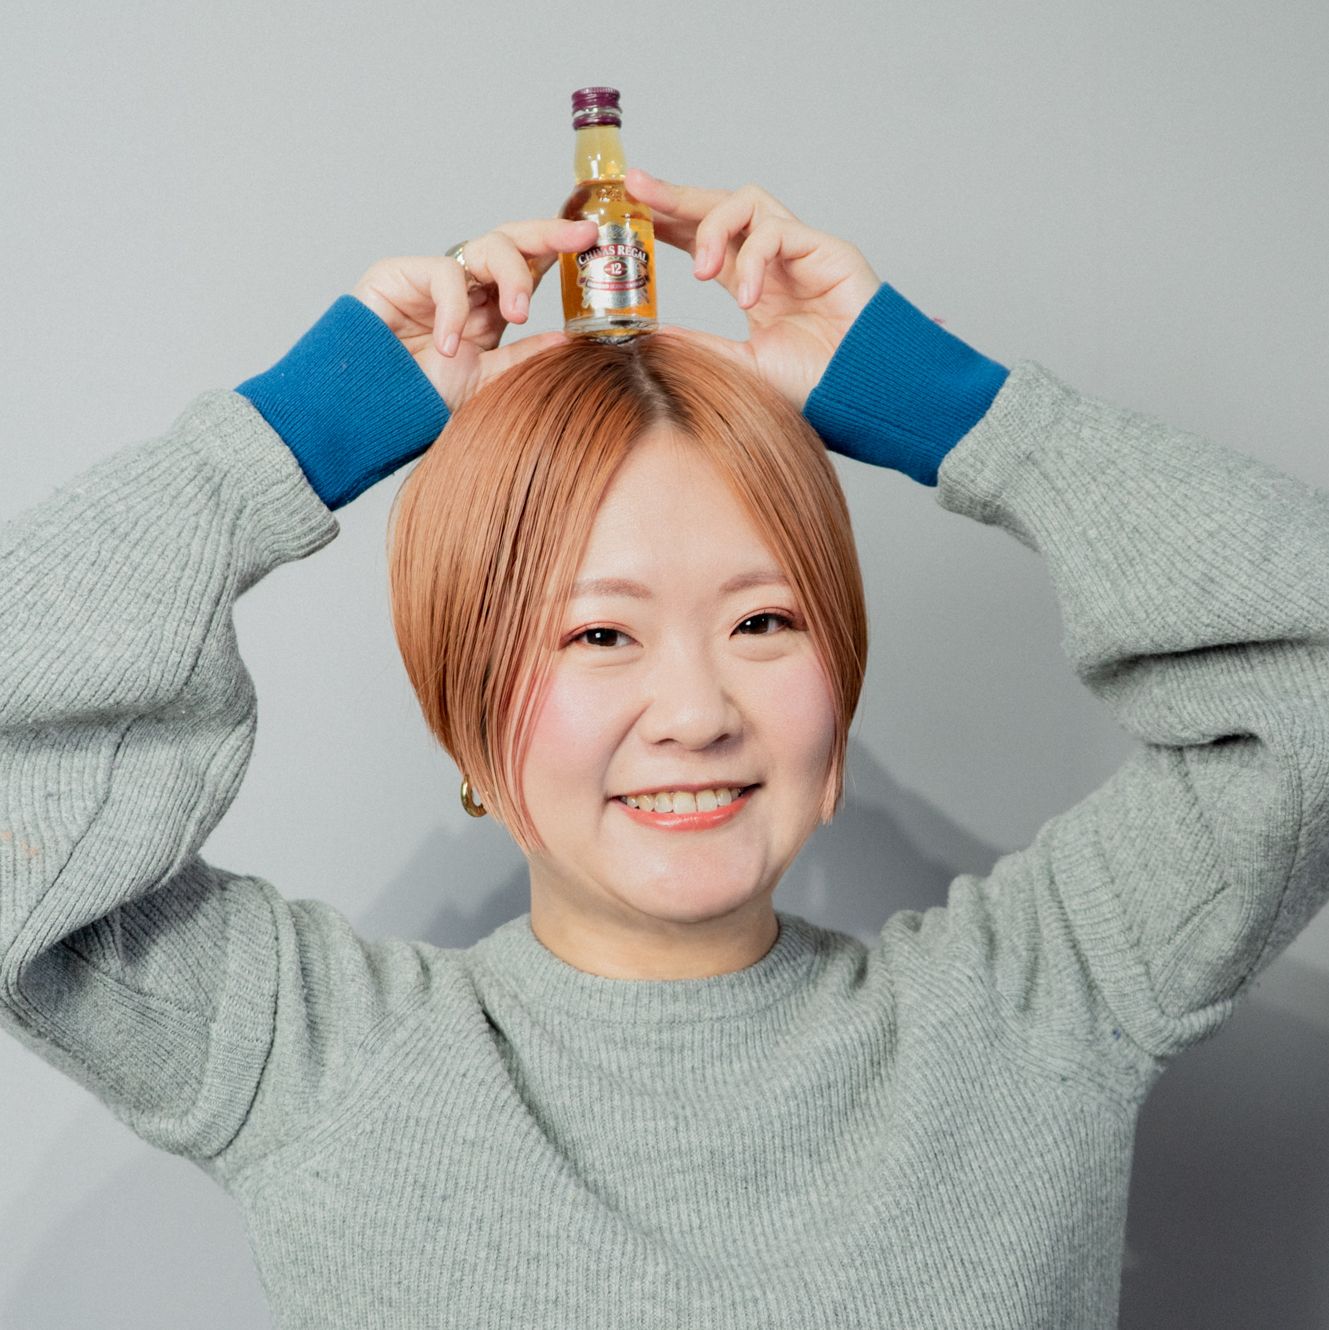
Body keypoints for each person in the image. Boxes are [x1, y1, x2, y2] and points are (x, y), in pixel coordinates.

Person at [2, 165, 1326, 1328]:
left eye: (763, 621)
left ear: (839, 686)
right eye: (598, 634)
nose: (696, 710)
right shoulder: (306, 1054)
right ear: (467, 711)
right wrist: (301, 427)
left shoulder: (1034, 1010)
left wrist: (960, 411)